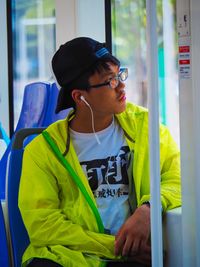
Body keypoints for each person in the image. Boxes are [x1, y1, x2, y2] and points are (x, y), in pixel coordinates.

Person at [18, 37, 181, 267]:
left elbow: (178, 176)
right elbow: (43, 225)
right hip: (68, 258)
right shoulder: (43, 151)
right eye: (110, 81)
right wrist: (115, 247)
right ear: (79, 96)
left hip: (132, 255)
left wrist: (148, 208)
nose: (122, 86)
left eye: (119, 75)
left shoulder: (145, 127)